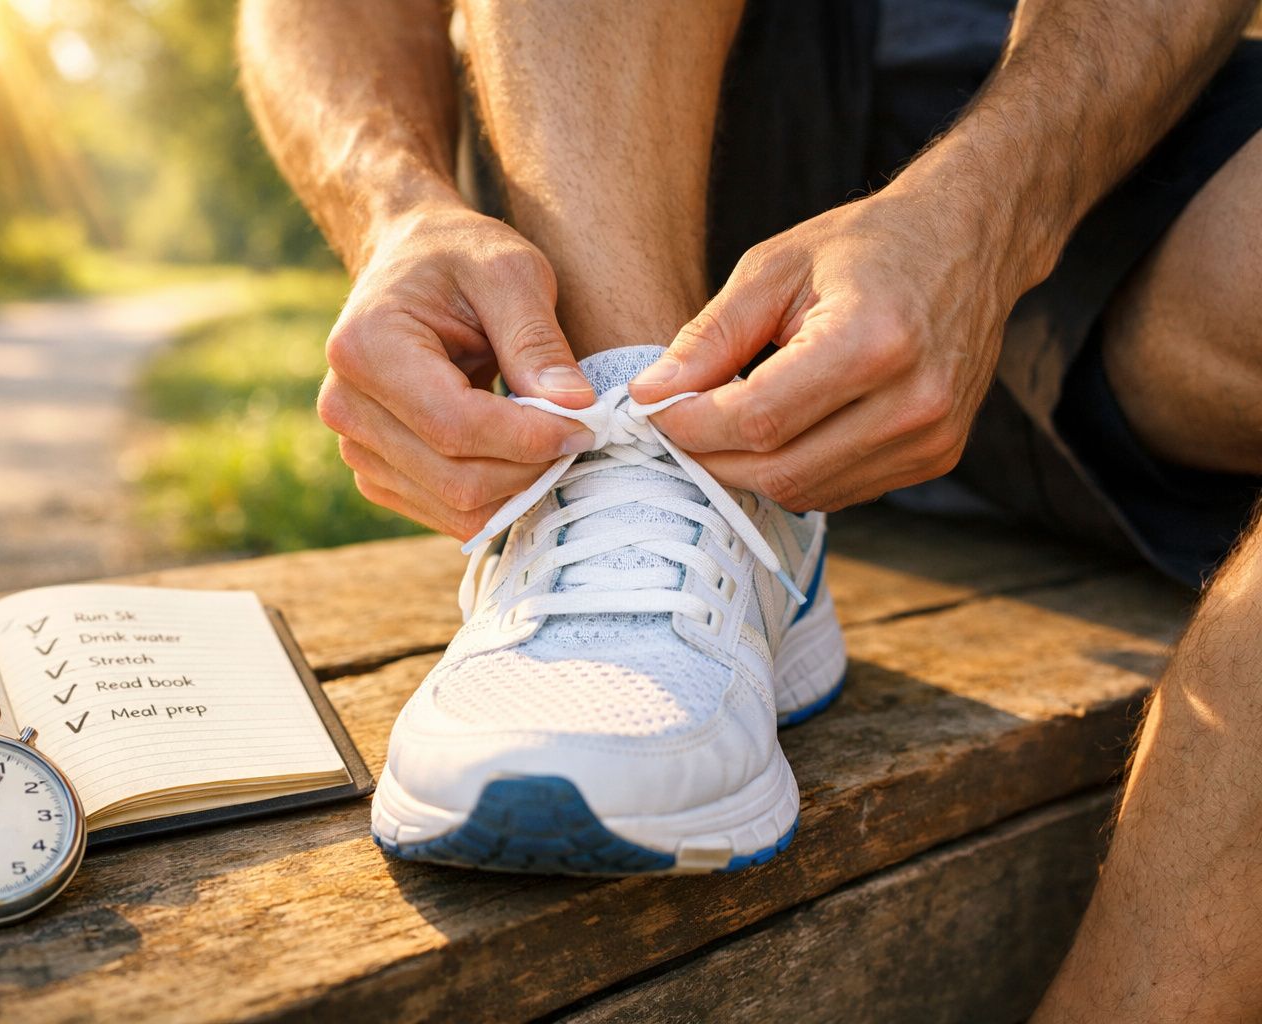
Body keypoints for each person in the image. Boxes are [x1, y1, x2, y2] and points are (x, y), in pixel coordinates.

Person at [238, 0, 1262, 1017]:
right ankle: (639, 460)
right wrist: (392, 209)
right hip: (637, 122)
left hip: (1089, 104)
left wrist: (988, 213)